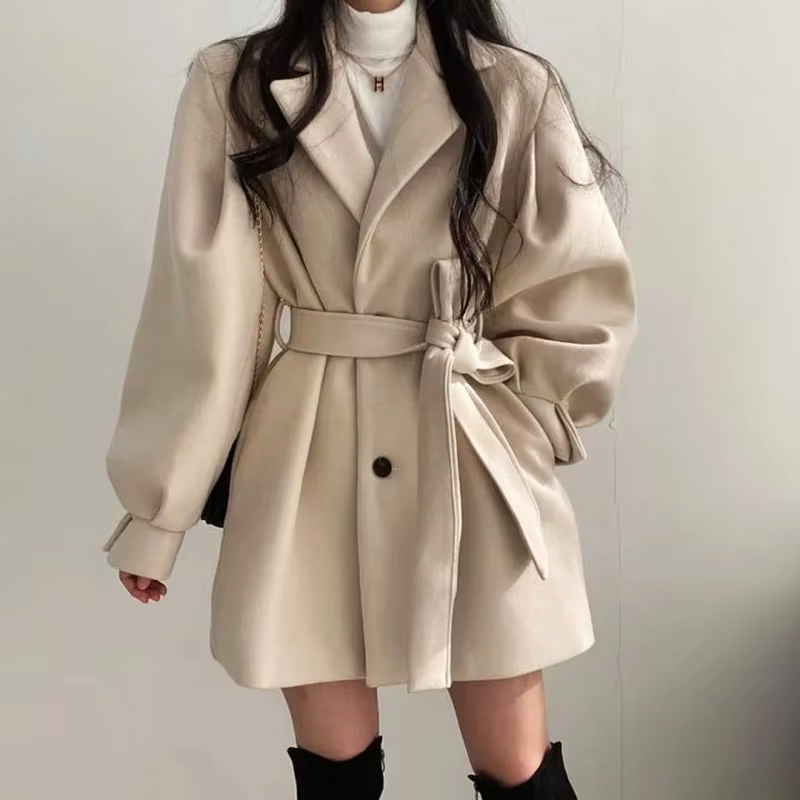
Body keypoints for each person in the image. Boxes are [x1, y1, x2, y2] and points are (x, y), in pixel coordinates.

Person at [102, 0, 636, 796]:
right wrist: (160, 514)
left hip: (469, 447)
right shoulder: (235, 85)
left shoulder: (514, 86)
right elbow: (208, 317)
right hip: (308, 458)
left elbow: (574, 285)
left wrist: (529, 425)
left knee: (521, 774)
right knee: (335, 779)